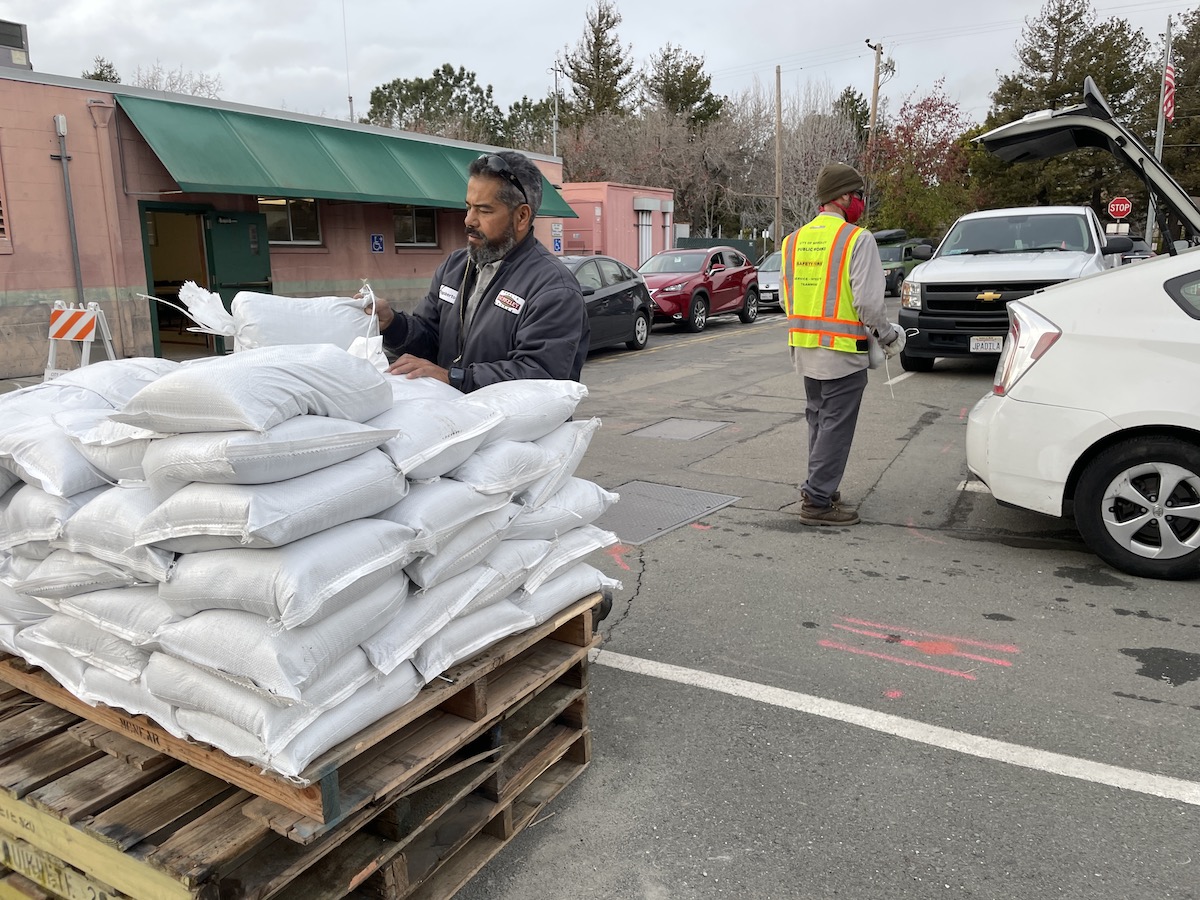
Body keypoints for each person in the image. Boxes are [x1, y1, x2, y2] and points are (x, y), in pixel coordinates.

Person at [366, 150, 589, 392]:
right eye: (468, 207)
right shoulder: (455, 267)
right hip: (455, 421)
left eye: (484, 210)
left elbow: (541, 376)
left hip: (512, 429)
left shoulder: (553, 288)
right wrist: (392, 324)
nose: (468, 220)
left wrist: (454, 378)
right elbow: (429, 338)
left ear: (522, 216)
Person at [780, 162, 905, 527]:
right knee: (835, 425)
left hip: (804, 348)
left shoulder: (792, 241)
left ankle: (821, 487)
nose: (861, 203)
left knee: (819, 420)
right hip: (842, 351)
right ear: (844, 197)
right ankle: (818, 500)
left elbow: (788, 300)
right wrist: (888, 336)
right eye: (859, 196)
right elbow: (868, 304)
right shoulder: (856, 238)